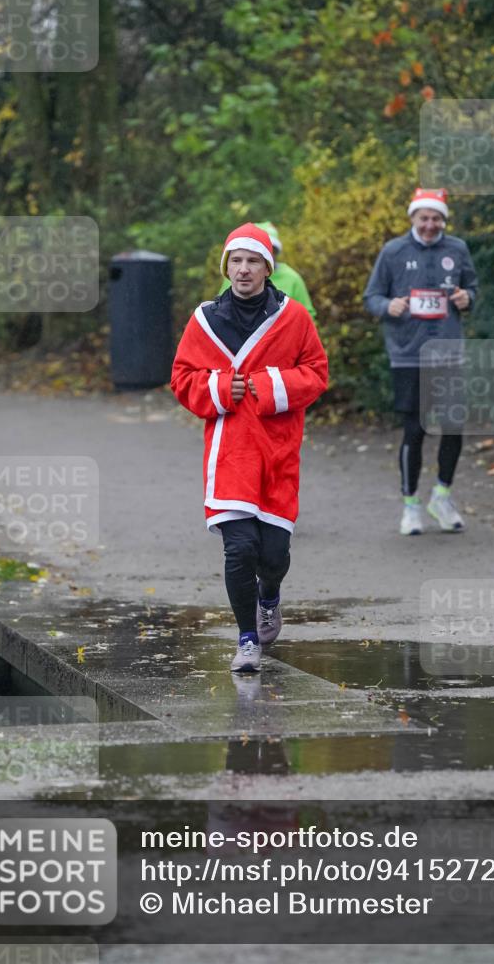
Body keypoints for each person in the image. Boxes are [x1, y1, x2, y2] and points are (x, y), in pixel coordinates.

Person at [171, 223, 328, 673]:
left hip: (278, 451)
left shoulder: (293, 317)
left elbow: (317, 372)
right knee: (239, 549)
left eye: (252, 261)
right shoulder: (205, 319)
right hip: (230, 451)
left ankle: (270, 595)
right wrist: (221, 388)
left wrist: (266, 385)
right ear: (227, 267)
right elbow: (182, 379)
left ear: (267, 268)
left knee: (273, 555)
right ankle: (246, 639)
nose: (243, 269)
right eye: (235, 261)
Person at [363, 188, 478, 535]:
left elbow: (473, 287)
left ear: (444, 219)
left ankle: (442, 495)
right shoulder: (394, 251)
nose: (430, 225)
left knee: (454, 426)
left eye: (436, 218)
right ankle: (410, 504)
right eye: (424, 218)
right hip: (408, 354)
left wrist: (466, 297)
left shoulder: (457, 248)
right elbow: (372, 296)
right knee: (415, 429)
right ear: (412, 218)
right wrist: (388, 307)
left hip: (447, 351)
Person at [218, 221, 317, 322]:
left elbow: (308, 316)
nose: (244, 270)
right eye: (261, 248)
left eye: (272, 249)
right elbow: (221, 307)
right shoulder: (236, 277)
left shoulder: (292, 278)